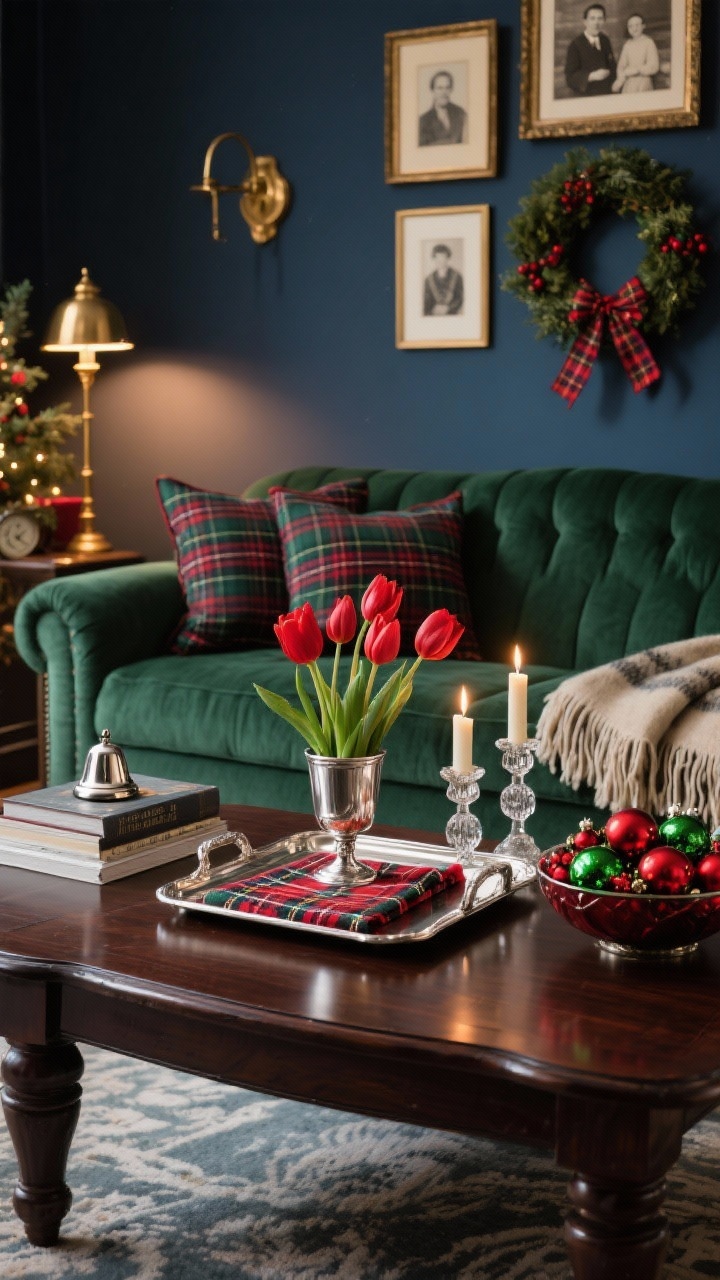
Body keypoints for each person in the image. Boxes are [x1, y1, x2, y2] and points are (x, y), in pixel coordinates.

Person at [564, 4, 617, 96]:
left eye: (600, 19)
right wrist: (591, 76)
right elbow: (570, 78)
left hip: (607, 94)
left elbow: (612, 65)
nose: (596, 23)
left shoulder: (605, 40)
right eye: (592, 18)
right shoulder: (576, 44)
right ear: (585, 21)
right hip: (586, 97)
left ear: (604, 21)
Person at [612, 13, 659, 93]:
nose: (634, 28)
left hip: (644, 82)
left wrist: (636, 70)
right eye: (631, 26)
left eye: (637, 25)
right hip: (629, 83)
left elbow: (654, 66)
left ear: (643, 26)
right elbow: (621, 66)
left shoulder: (648, 42)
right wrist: (620, 80)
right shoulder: (627, 44)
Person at [418, 71, 467, 146]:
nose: (444, 92)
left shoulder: (460, 113)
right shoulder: (423, 121)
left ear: (451, 90)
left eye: (447, 88)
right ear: (432, 90)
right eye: (440, 88)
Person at [423, 245, 463, 316]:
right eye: (437, 258)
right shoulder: (428, 280)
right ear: (434, 259)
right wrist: (434, 309)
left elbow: (460, 298)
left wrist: (448, 308)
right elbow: (426, 301)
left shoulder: (457, 277)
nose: (440, 261)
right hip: (433, 317)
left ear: (448, 258)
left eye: (443, 257)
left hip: (452, 316)